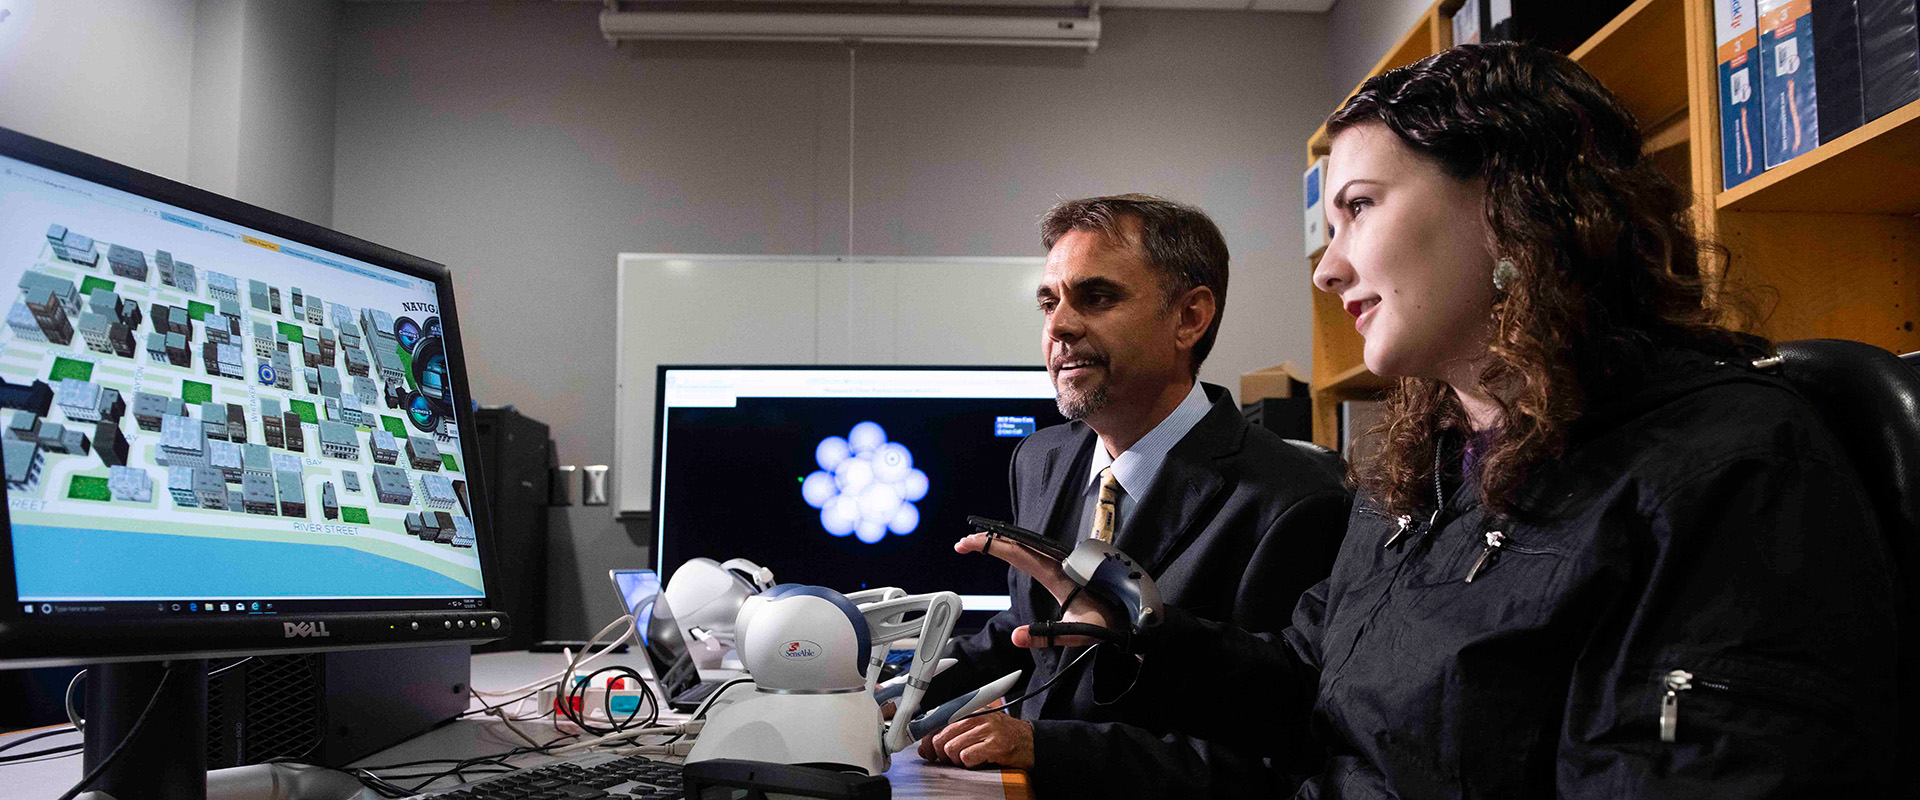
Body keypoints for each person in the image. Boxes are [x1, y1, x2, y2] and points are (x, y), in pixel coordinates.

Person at [956, 44, 1901, 796]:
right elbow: (1309, 687)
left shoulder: (1730, 470)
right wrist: (1138, 635)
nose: (1328, 269)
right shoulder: (1425, 467)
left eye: (1359, 209)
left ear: (1511, 207)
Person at [916, 194, 1351, 798]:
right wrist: (891, 689)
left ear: (1190, 318)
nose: (1059, 327)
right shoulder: (1041, 459)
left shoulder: (1299, 501)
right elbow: (1028, 630)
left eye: (1096, 298)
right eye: (1049, 302)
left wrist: (1046, 747)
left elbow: (1276, 760)